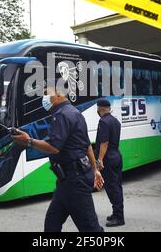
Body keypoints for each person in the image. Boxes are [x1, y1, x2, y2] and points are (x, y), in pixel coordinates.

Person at [11, 85, 104, 232]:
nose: (44, 98)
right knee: (52, 223)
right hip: (67, 181)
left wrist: (29, 141)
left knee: (90, 228)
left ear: (59, 95)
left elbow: (54, 147)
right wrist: (94, 169)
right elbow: (87, 145)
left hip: (75, 181)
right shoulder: (75, 112)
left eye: (47, 94)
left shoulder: (61, 115)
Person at [95, 99, 125, 227]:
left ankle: (119, 217)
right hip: (116, 155)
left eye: (97, 108)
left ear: (100, 108)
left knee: (112, 187)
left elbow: (104, 142)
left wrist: (100, 159)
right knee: (117, 186)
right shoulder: (115, 120)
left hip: (108, 157)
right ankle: (117, 213)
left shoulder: (103, 121)